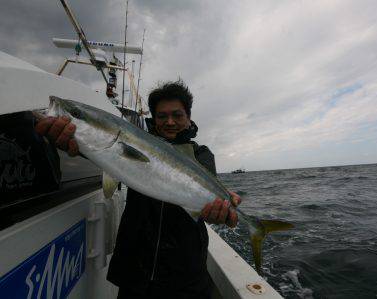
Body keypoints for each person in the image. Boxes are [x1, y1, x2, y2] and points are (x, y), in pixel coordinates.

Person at [35, 80, 241, 298]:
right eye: (162, 116)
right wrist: (73, 144)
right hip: (134, 275)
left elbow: (204, 200)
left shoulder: (201, 156)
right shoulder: (127, 142)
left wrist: (220, 211)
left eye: (177, 115)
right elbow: (100, 149)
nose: (169, 121)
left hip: (185, 277)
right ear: (153, 119)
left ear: (188, 117)